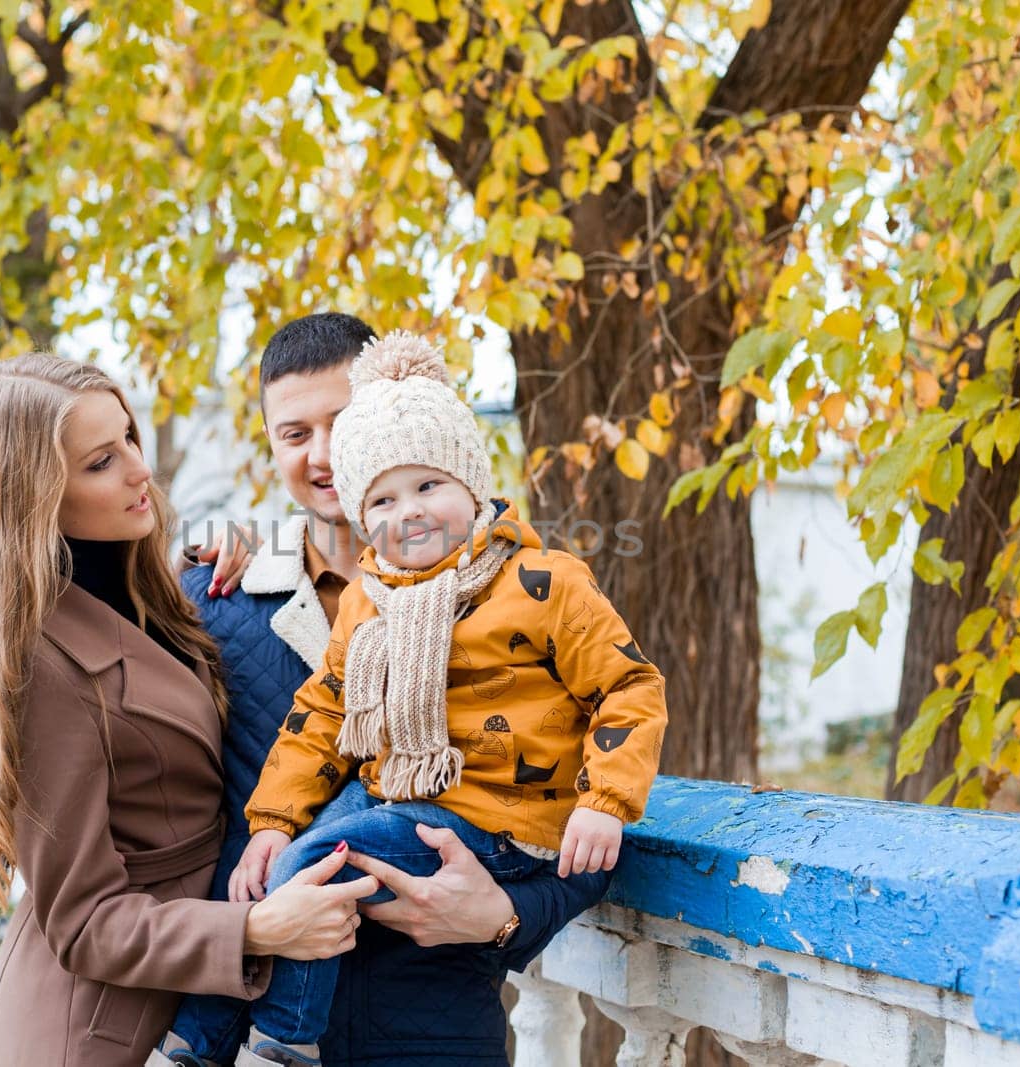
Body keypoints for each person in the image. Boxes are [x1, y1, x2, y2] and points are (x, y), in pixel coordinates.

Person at [162, 324, 663, 1066]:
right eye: (296, 432)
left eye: (343, 422)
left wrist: (506, 916)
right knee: (314, 849)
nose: (324, 453)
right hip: (259, 1007)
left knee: (332, 846)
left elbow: (601, 766)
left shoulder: (535, 587)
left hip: (434, 1024)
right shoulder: (218, 599)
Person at [0, 354, 378, 1067]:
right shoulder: (38, 666)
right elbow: (82, 921)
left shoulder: (147, 587)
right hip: (95, 1026)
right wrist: (256, 927)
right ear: (32, 495)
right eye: (103, 461)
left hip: (184, 1004)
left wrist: (254, 556)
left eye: (131, 438)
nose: (141, 469)